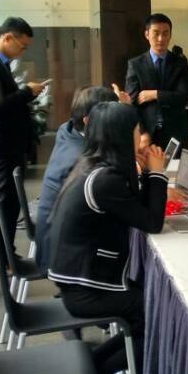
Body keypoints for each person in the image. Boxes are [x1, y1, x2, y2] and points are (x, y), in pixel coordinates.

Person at [47, 101, 168, 374]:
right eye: (138, 131)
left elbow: (136, 210)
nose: (143, 137)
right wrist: (157, 174)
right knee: (159, 316)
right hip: (87, 289)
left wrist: (145, 172)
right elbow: (152, 222)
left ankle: (95, 366)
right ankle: (98, 370)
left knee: (148, 309)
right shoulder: (104, 180)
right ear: (121, 135)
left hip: (79, 280)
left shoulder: (93, 166)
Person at [34, 85, 131, 271]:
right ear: (88, 120)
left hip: (55, 236)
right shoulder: (82, 160)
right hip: (64, 256)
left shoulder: (67, 130)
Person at [0, 17, 46, 270]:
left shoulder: (0, 63)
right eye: (22, 46)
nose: (23, 51)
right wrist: (27, 92)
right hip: (3, 144)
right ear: (7, 37)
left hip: (8, 142)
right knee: (5, 201)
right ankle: (0, 258)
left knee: (10, 202)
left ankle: (4, 255)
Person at [125, 13, 188, 153]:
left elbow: (184, 97)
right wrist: (142, 132)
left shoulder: (180, 63)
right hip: (148, 134)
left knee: (177, 167)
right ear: (147, 34)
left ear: (170, 35)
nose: (161, 38)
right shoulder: (136, 64)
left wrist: (155, 94)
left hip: (177, 133)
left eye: (165, 33)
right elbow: (132, 103)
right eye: (156, 33)